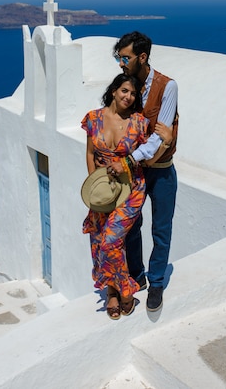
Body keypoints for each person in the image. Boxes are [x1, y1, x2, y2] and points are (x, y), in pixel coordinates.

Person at [110, 31, 178, 312]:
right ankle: (137, 276)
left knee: (161, 230)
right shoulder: (128, 87)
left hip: (160, 172)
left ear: (142, 57)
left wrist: (129, 160)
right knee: (131, 226)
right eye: (118, 58)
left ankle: (157, 283)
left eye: (124, 58)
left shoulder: (168, 86)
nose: (121, 64)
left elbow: (157, 139)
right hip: (136, 174)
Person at [81, 73, 150, 320]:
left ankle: (126, 291)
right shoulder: (93, 118)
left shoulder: (139, 123)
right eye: (124, 91)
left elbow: (147, 155)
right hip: (104, 190)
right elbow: (90, 154)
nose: (128, 97)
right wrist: (96, 187)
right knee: (101, 240)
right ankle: (112, 292)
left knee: (111, 240)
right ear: (113, 91)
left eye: (132, 94)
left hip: (131, 190)